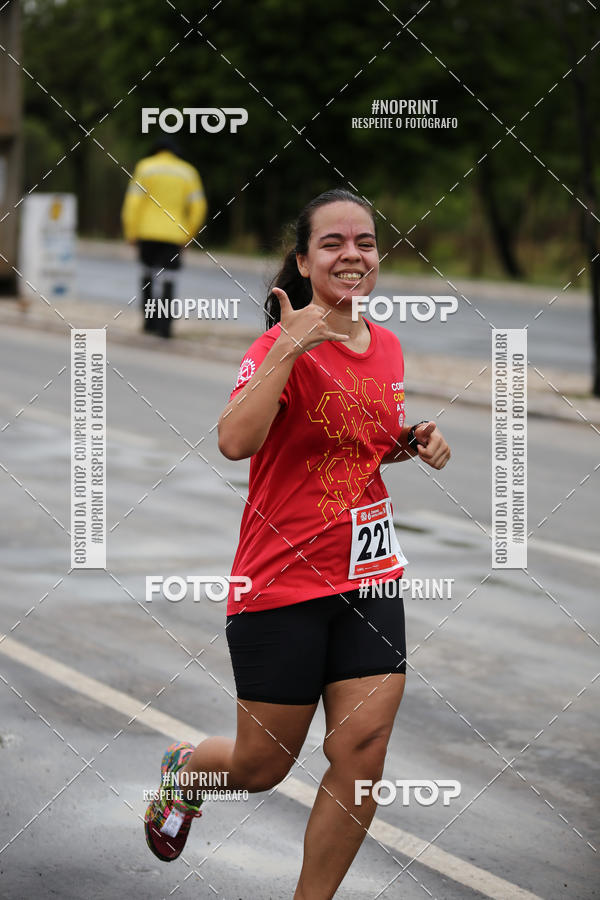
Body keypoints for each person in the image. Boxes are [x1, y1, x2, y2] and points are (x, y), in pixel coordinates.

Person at [143, 188, 451, 898]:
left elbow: (356, 443)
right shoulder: (275, 345)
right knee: (263, 765)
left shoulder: (389, 346)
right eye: (334, 243)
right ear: (306, 260)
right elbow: (234, 440)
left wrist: (411, 442)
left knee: (363, 750)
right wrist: (289, 345)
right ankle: (189, 771)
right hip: (280, 583)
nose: (353, 254)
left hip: (370, 578)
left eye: (365, 242)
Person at [121, 136, 207, 338]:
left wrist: (131, 232)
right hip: (174, 234)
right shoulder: (188, 172)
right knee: (169, 278)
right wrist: (189, 234)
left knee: (147, 275)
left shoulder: (145, 167)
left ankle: (149, 323)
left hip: (147, 231)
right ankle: (165, 328)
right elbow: (198, 207)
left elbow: (132, 203)